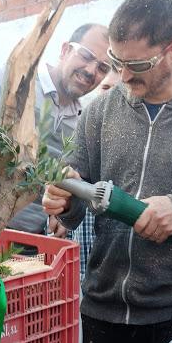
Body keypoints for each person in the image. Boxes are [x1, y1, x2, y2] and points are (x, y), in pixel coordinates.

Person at [42, 0, 172, 343]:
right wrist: (60, 199)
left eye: (139, 64)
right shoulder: (100, 112)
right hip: (104, 307)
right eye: (116, 61)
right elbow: (71, 202)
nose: (124, 75)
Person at [0, 23, 110, 241]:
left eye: (103, 68)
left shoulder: (83, 123)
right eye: (86, 56)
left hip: (28, 246)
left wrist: (62, 212)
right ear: (65, 50)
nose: (91, 70)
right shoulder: (13, 80)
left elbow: (67, 190)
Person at [49, 66, 120, 282]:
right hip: (76, 276)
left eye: (117, 90)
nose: (108, 96)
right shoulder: (81, 136)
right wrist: (60, 210)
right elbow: (61, 194)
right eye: (105, 87)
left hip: (111, 277)